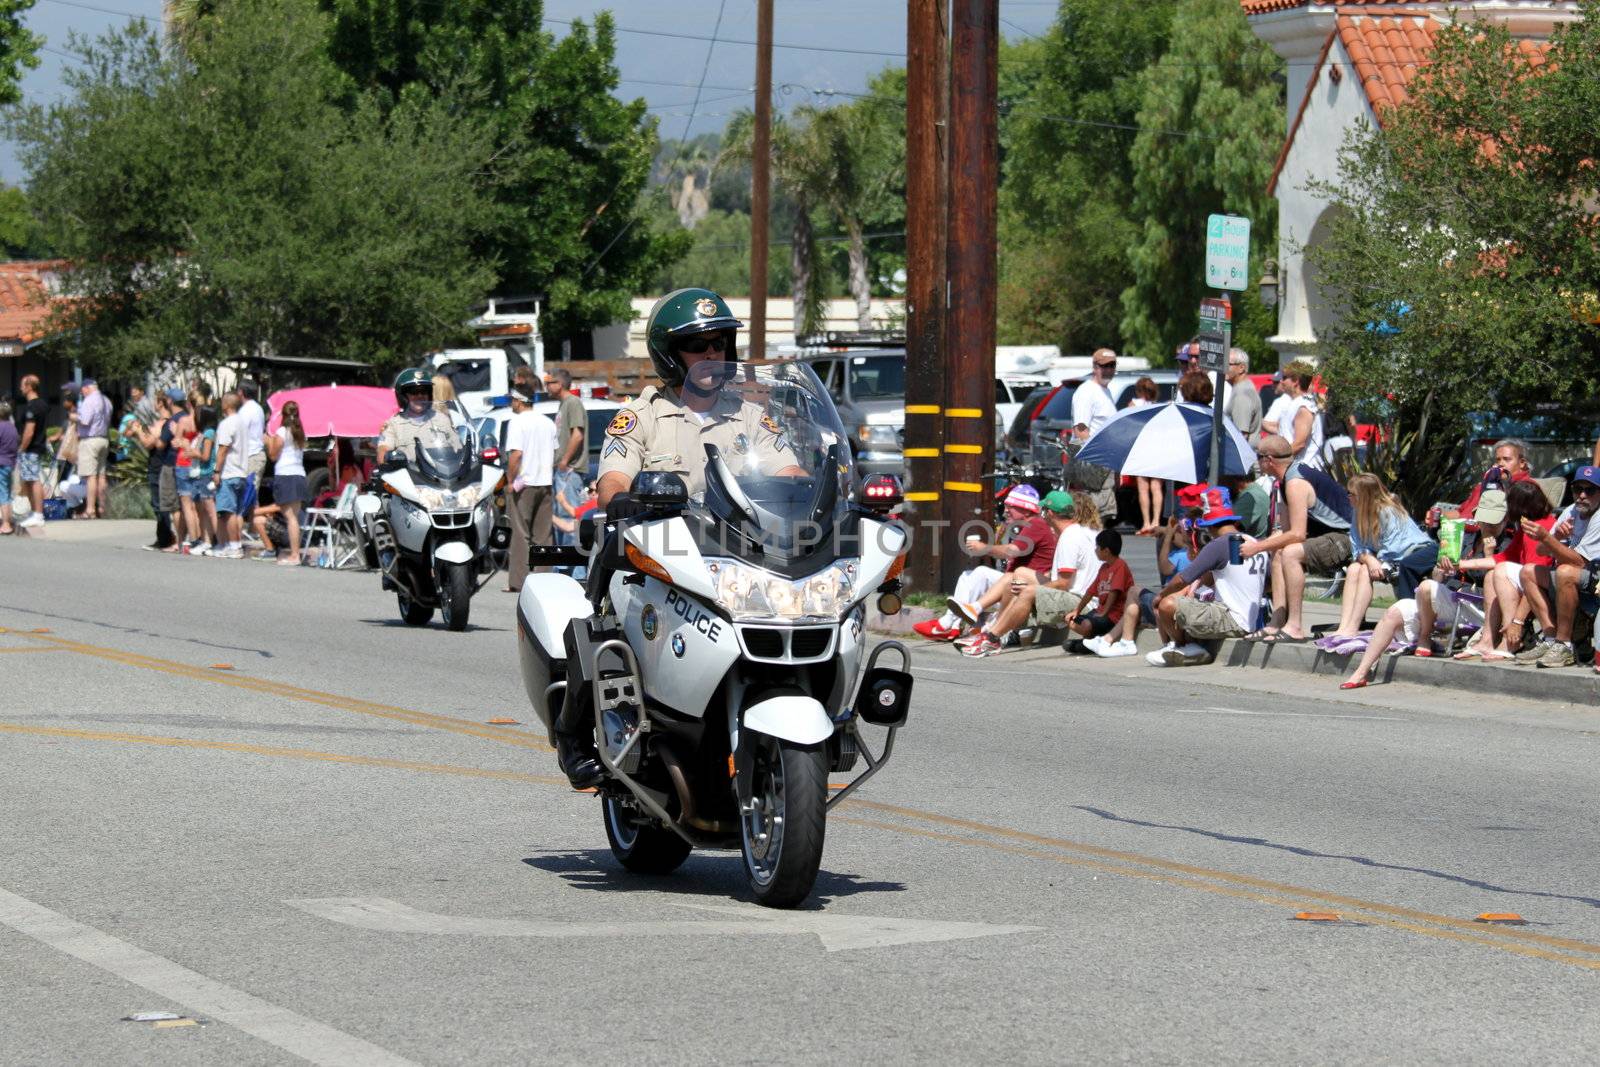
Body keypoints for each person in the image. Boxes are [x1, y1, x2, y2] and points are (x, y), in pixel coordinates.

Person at [594, 288, 802, 512]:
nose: (711, 354)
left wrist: (816, 489)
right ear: (669, 354)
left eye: (719, 344)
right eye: (697, 346)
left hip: (740, 541)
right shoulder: (641, 418)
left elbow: (789, 474)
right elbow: (612, 483)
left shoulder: (750, 418)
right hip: (667, 541)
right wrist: (622, 500)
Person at [960, 490, 1101, 657]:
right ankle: (993, 628)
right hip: (1084, 595)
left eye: (1043, 512)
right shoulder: (1081, 531)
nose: (1042, 516)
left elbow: (1064, 584)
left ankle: (992, 638)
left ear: (1050, 513)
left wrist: (1035, 590)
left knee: (1026, 592)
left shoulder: (1068, 538)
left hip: (1081, 602)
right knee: (1016, 575)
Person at [1242, 434, 1354, 642]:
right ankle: (1276, 623)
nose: (1257, 462)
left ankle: (1294, 626)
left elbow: (1297, 534)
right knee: (1279, 552)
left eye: (1258, 457)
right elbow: (1285, 532)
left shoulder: (1295, 482)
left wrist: (1257, 548)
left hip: (1347, 539)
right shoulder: (1284, 481)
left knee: (1291, 553)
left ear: (1268, 459)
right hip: (1326, 535)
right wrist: (1262, 544)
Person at [1147, 486, 1267, 667]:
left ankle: (1183, 646)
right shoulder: (1252, 542)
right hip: (1252, 618)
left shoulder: (1219, 544)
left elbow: (1182, 578)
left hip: (1232, 618)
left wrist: (1161, 595)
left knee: (1167, 605)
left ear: (1210, 525)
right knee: (1188, 599)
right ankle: (1186, 644)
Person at [917, 484, 1055, 640]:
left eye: (1012, 507)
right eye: (1006, 505)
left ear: (1026, 509)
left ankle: (953, 621)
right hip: (1016, 584)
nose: (1006, 510)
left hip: (1026, 586)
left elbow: (1012, 550)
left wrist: (983, 548)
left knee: (981, 572)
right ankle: (951, 624)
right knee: (967, 576)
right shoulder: (1024, 526)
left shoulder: (1035, 524)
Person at [1445, 480, 1552, 661]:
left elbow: (1532, 578)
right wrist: (1461, 564)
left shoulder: (1540, 528)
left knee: (1501, 571)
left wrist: (1517, 623)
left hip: (1542, 587)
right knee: (1492, 575)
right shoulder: (1526, 527)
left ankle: (1510, 640)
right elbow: (1502, 557)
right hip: (1525, 581)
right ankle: (1487, 639)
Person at [1329, 473, 1438, 638]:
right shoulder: (1357, 513)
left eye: (1352, 494)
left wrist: (1374, 561)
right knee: (1353, 568)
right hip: (1384, 558)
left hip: (1410, 553)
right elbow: (1357, 546)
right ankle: (1345, 626)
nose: (1348, 497)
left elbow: (1395, 548)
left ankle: (1353, 627)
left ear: (1364, 496)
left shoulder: (1388, 512)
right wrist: (1369, 559)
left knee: (1365, 571)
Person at [1513, 465, 1600, 668]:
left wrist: (1546, 537)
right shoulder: (1571, 511)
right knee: (1528, 572)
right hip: (1578, 572)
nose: (1582, 495)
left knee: (1565, 572)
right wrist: (1557, 537)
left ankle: (1564, 645)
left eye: (1590, 490)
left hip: (1595, 575)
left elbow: (1579, 562)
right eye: (1578, 489)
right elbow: (1543, 551)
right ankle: (1551, 639)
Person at [1339, 578, 1486, 688]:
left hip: (1473, 607)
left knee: (1426, 586)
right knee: (1394, 611)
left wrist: (1487, 554)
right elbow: (1440, 581)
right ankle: (1361, 672)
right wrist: (1441, 573)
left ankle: (1424, 636)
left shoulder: (1502, 544)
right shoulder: (1465, 541)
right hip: (1448, 601)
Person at [503, 385, 557, 593]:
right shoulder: (547, 422)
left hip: (523, 484)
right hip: (545, 481)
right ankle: (544, 580)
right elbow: (554, 452)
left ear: (518, 401)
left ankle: (518, 582)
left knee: (520, 533)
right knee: (544, 534)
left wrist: (510, 479)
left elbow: (516, 455)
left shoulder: (517, 422)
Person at [377, 367, 460, 465]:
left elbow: (459, 449)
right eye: (414, 392)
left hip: (443, 475)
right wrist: (388, 457)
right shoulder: (393, 424)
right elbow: (383, 452)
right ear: (403, 396)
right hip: (410, 477)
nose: (420, 396)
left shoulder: (442, 419)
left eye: (424, 391)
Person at [260, 399, 307, 565]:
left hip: (286, 475)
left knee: (290, 518)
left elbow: (273, 455)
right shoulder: (300, 432)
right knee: (294, 517)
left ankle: (295, 555)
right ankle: (296, 553)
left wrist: (268, 441)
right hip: (299, 474)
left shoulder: (282, 431)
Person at [1069, 530, 1133, 650]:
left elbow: (1114, 592)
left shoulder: (1120, 566)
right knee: (1071, 619)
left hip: (1114, 616)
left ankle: (1089, 642)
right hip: (1101, 611)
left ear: (1106, 551)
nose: (1095, 550)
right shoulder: (1104, 568)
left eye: (1097, 547)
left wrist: (1104, 613)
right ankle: (1089, 641)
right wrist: (1077, 610)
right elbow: (1090, 592)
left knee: (1087, 624)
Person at [180, 391, 218, 554]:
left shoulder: (209, 433)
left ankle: (218, 541)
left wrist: (191, 451)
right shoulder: (204, 433)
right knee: (203, 509)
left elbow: (205, 455)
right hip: (200, 473)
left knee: (209, 510)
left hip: (206, 472)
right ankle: (206, 541)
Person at [211, 393, 249, 558]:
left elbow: (223, 449)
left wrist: (217, 471)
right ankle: (229, 544)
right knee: (235, 512)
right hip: (241, 472)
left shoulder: (227, 424)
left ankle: (234, 546)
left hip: (229, 472)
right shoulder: (241, 422)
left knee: (228, 512)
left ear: (226, 405)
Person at [543, 367, 588, 494]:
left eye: (549, 383)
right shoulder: (563, 404)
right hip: (562, 470)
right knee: (560, 513)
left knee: (567, 513)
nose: (547, 387)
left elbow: (578, 435)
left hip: (570, 470)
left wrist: (564, 461)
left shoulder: (573, 402)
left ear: (559, 384)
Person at [1128, 378, 1164, 535]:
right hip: (1156, 449)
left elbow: (1129, 425)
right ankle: (1156, 521)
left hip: (1140, 448)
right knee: (1156, 487)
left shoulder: (1133, 404)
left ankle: (1146, 523)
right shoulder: (1159, 407)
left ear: (1139, 390)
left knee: (1143, 488)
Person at [72, 378, 112, 519]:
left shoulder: (89, 401)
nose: (82, 392)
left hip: (90, 440)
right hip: (103, 439)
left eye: (82, 389)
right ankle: (102, 507)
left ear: (87, 388)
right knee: (101, 476)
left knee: (90, 477)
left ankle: (90, 510)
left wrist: (74, 416)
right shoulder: (106, 401)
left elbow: (85, 420)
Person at [15, 375, 49, 528]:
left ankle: (38, 514)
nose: (21, 388)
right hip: (37, 447)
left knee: (33, 480)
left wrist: (22, 448)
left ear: (29, 387)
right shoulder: (42, 404)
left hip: (31, 448)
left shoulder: (32, 407)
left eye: (23, 385)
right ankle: (34, 512)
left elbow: (29, 431)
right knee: (29, 481)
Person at [1071, 349, 1118, 437]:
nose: (1109, 369)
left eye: (1112, 365)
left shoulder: (1106, 391)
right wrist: (1092, 451)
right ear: (1094, 367)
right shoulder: (1086, 392)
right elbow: (1081, 430)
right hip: (1094, 450)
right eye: (1104, 365)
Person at [1226, 348, 1262, 444]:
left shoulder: (1242, 394)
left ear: (1241, 368)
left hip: (1242, 456)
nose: (1223, 368)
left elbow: (1241, 436)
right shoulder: (1242, 388)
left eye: (1228, 364)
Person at [236, 380, 267, 490]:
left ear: (241, 392)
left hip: (251, 456)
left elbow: (239, 434)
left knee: (248, 496)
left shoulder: (246, 410)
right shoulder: (257, 408)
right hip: (255, 454)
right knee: (251, 495)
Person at [0, 399, 17, 534]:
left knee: (3, 495)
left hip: (1, 463)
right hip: (10, 463)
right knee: (7, 493)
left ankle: (5, 524)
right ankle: (9, 520)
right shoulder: (12, 427)